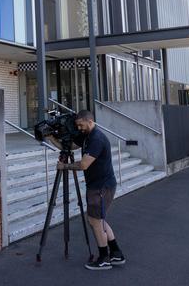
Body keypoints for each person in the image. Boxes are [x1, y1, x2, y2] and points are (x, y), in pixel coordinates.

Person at [54, 109, 124, 271]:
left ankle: (103, 258)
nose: (79, 128)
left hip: (101, 187)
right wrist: (51, 137)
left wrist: (64, 166)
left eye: (81, 125)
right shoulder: (87, 136)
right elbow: (69, 146)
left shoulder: (97, 139)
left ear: (90, 121)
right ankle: (116, 253)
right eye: (77, 125)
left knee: (94, 221)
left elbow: (84, 165)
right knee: (100, 220)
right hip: (98, 185)